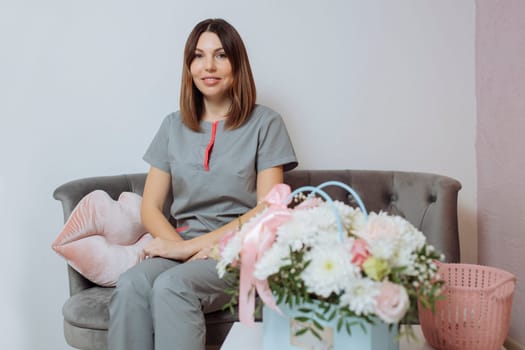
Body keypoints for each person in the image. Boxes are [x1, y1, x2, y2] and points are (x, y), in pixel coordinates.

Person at [108, 18, 298, 350]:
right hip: (184, 248)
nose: (208, 66)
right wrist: (182, 250)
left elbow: (269, 211)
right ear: (189, 66)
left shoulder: (266, 123)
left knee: (172, 287)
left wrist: (186, 250)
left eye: (220, 55)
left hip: (237, 251)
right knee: (130, 286)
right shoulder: (172, 126)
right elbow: (151, 208)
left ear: (237, 64)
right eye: (198, 56)